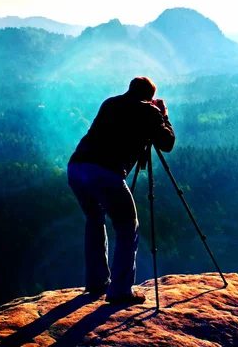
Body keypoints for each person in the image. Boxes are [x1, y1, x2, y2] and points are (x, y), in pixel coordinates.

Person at [67, 76, 175, 304]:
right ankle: (120, 290)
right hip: (106, 172)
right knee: (128, 227)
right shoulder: (149, 111)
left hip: (77, 167)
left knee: (95, 220)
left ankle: (97, 282)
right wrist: (163, 114)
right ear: (150, 97)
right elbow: (167, 143)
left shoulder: (110, 103)